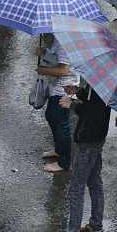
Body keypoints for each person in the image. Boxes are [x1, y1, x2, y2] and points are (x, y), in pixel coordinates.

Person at [47, 79, 110, 232]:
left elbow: (94, 113)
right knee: (95, 184)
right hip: (95, 140)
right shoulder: (102, 80)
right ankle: (95, 227)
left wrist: (73, 104)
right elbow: (92, 101)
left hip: (88, 143)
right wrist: (78, 91)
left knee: (76, 190)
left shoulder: (100, 82)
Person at [37, 37, 78, 173]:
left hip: (63, 90)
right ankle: (59, 150)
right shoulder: (59, 38)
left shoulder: (64, 42)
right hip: (56, 89)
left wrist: (44, 70)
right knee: (51, 116)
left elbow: (64, 70)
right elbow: (58, 58)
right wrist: (46, 52)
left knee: (61, 124)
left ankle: (64, 162)